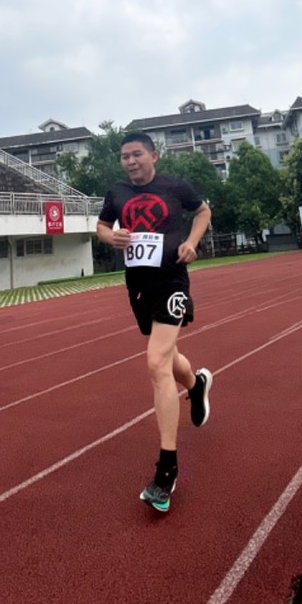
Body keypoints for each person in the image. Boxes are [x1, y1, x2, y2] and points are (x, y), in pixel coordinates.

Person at [96, 132, 213, 512]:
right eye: (124, 156)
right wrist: (110, 237)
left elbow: (203, 211)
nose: (130, 161)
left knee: (155, 362)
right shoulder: (116, 193)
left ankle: (167, 469)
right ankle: (196, 384)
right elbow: (101, 226)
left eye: (136, 154)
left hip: (172, 280)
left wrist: (192, 242)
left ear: (153, 155)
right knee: (166, 353)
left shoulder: (175, 186)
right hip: (138, 285)